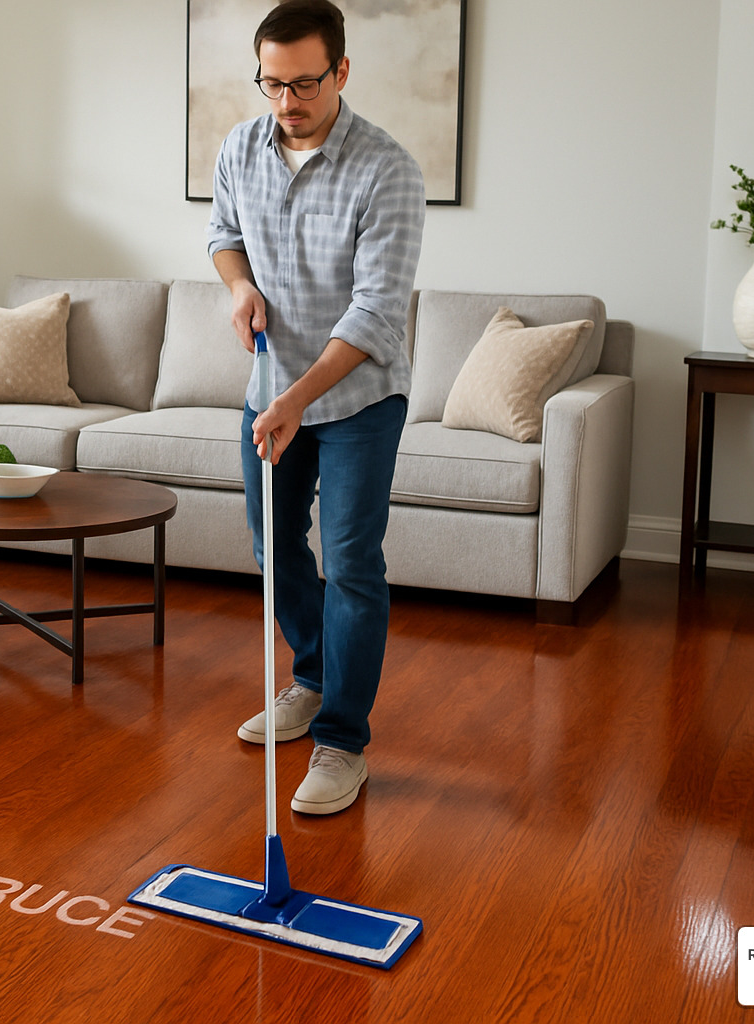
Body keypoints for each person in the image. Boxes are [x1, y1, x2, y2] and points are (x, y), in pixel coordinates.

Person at [206, 0, 424, 815]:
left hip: (359, 397)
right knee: (275, 549)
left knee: (353, 565)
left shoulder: (387, 169)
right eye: (272, 84)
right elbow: (222, 232)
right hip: (272, 387)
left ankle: (342, 740)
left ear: (341, 71)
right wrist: (240, 287)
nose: (287, 103)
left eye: (304, 83)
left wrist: (297, 398)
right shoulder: (239, 146)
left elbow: (373, 314)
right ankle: (311, 677)